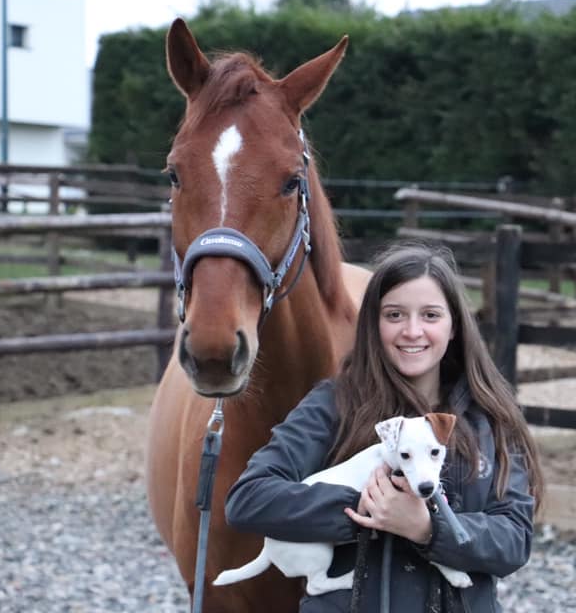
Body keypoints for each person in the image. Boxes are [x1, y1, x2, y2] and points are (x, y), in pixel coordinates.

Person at [225, 243, 544, 612]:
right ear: (374, 323)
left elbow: (514, 540)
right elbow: (249, 500)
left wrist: (428, 528)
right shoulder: (333, 405)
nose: (412, 331)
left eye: (430, 315)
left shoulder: (488, 416)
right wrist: (363, 507)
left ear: (454, 325)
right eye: (394, 315)